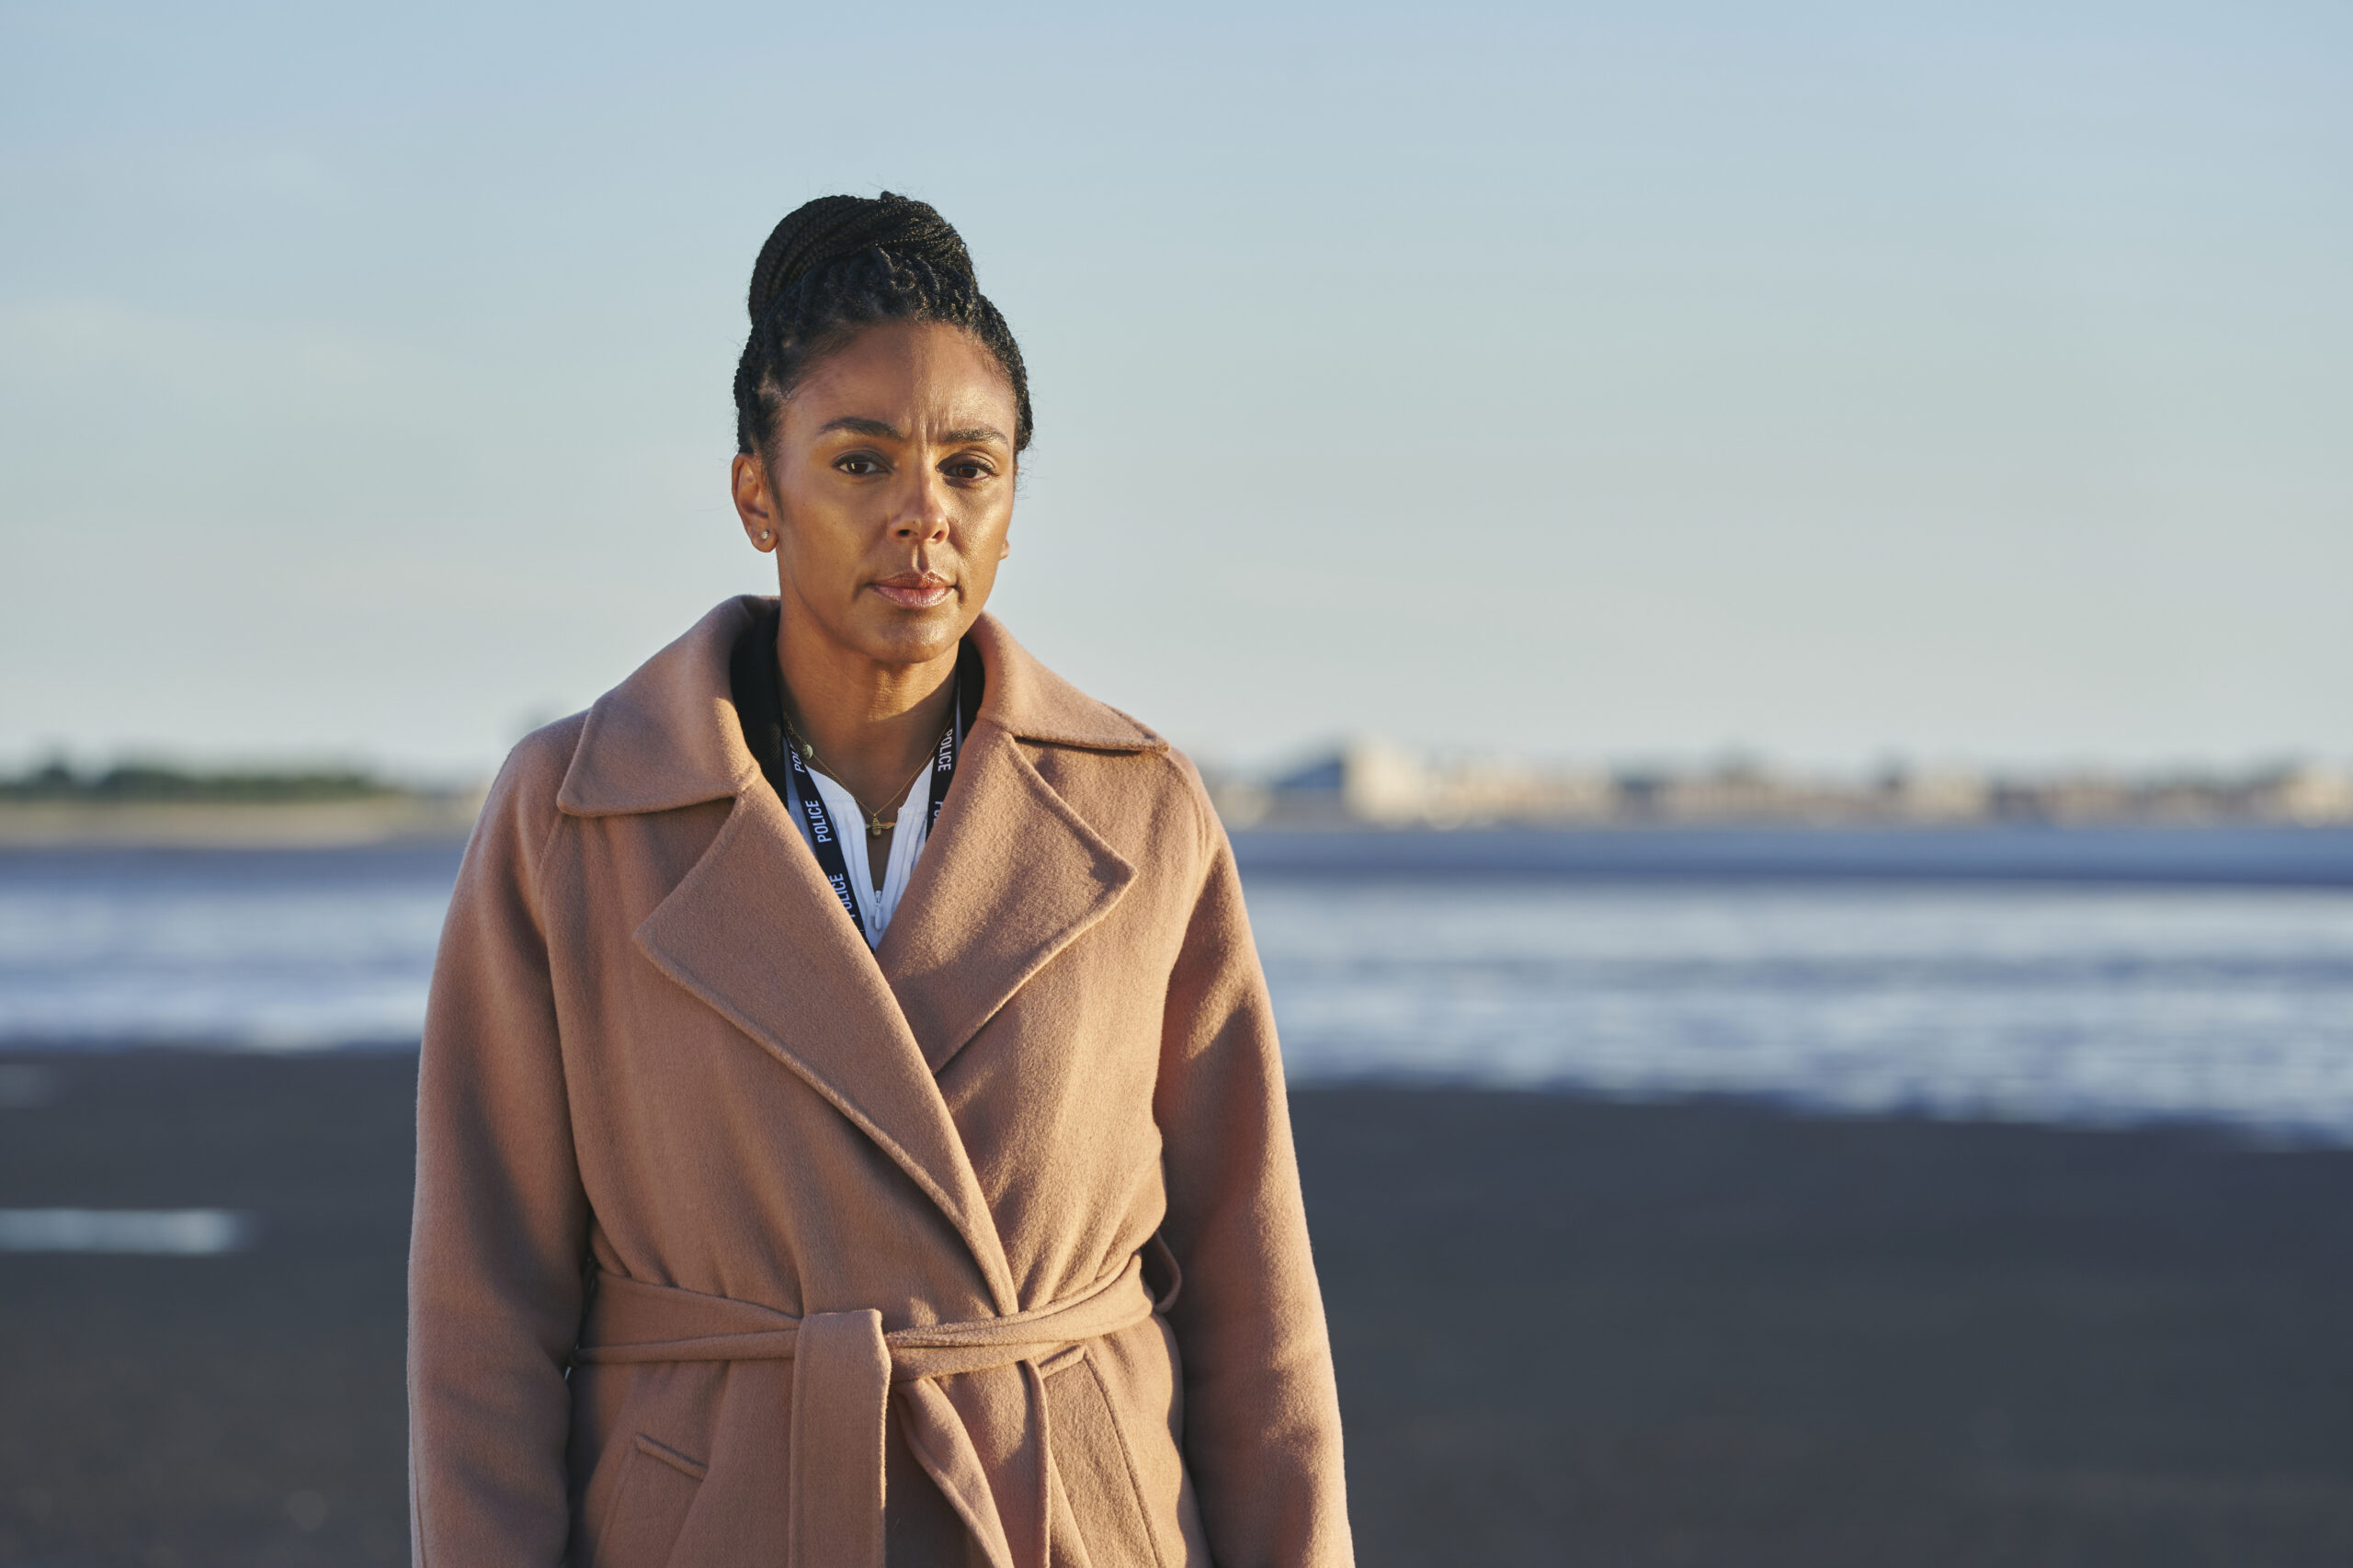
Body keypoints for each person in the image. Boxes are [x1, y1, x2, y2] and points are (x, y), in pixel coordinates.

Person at [406, 192, 1353, 1568]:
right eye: (860, 464)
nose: (924, 514)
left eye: (971, 468)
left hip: (1071, 1518)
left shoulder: (1140, 809)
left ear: (1014, 506)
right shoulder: (576, 815)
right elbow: (480, 1323)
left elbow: (1260, 1309)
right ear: (756, 493)